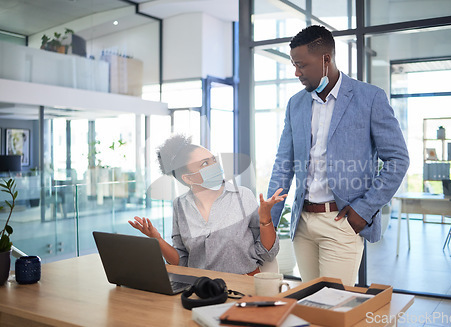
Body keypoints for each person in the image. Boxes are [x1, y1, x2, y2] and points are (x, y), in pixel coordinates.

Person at [267, 25, 409, 285]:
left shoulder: (370, 98)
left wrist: (363, 210)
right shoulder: (296, 104)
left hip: (341, 221)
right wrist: (269, 221)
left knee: (334, 307)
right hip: (302, 223)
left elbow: (398, 159)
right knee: (310, 303)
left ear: (326, 59)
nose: (296, 72)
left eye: (302, 65)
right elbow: (283, 165)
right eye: (293, 65)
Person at [129, 134, 285, 275]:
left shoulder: (242, 195)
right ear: (188, 179)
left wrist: (266, 219)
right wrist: (157, 239)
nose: (214, 166)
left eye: (214, 160)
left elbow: (267, 253)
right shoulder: (180, 205)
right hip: (201, 287)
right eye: (204, 164)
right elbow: (182, 262)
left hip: (243, 285)